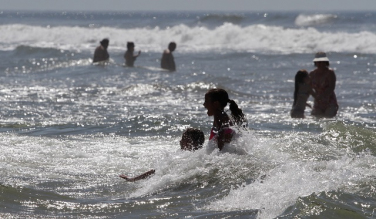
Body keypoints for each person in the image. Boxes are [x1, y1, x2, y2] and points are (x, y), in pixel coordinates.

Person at [119, 128, 204, 182]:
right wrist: (133, 179)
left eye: (183, 139)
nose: (180, 141)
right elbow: (158, 171)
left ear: (192, 143)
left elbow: (155, 172)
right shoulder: (202, 156)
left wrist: (133, 179)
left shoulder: (186, 158)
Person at [309, 52, 338, 118]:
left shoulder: (330, 73)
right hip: (318, 103)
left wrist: (322, 96)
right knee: (315, 121)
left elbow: (331, 87)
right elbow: (308, 88)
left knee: (328, 121)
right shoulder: (312, 74)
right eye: (318, 62)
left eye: (322, 62)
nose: (320, 64)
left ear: (326, 62)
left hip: (330, 102)